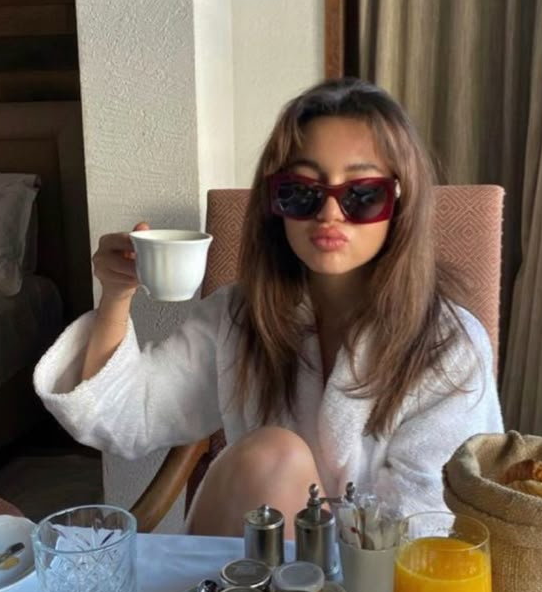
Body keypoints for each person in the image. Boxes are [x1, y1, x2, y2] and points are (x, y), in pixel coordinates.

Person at [34, 77, 503, 535]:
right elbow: (124, 417)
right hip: (247, 575)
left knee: (276, 458)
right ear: (275, 203)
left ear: (399, 202)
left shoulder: (447, 344)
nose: (329, 213)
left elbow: (428, 522)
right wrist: (116, 295)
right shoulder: (239, 317)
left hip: (378, 584)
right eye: (302, 191)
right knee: (273, 456)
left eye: (362, 194)